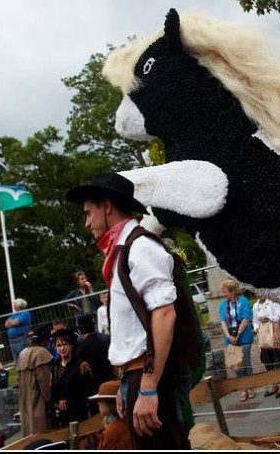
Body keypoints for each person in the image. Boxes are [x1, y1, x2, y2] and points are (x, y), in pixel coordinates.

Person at [66, 172, 192, 449]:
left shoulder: (140, 248)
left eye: (88, 213)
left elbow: (164, 314)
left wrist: (147, 385)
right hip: (137, 375)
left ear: (107, 206)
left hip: (150, 376)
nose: (86, 223)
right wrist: (124, 382)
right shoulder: (124, 252)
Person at [50, 328, 97, 427]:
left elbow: (88, 389)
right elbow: (54, 387)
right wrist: (59, 400)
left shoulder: (81, 365)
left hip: (79, 410)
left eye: (65, 345)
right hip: (63, 413)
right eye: (59, 345)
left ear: (72, 346)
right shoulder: (55, 365)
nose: (62, 348)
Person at [219, 278, 256, 402]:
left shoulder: (243, 301)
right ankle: (242, 388)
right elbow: (223, 322)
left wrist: (238, 335)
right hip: (230, 337)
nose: (223, 295)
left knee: (245, 361)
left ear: (232, 291)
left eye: (225, 292)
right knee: (236, 364)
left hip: (243, 336)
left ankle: (250, 386)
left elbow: (246, 319)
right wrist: (229, 337)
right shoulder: (223, 305)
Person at [16, 324, 54, 437]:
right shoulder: (42, 353)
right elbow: (45, 383)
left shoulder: (22, 353)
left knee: (29, 434)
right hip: (38, 400)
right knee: (41, 434)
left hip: (25, 399)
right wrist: (50, 400)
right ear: (44, 339)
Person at [252, 293, 280, 397]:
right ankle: (273, 384)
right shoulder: (255, 305)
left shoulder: (273, 302)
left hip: (274, 334)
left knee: (278, 360)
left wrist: (268, 317)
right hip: (263, 335)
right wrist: (257, 328)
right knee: (266, 360)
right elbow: (255, 321)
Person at [75, 314, 113, 394]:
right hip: (112, 378)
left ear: (80, 330)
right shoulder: (106, 338)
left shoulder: (82, 347)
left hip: (96, 387)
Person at [92, 380, 133, 450]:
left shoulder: (111, 432)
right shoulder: (128, 421)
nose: (98, 403)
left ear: (108, 404)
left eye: (100, 400)